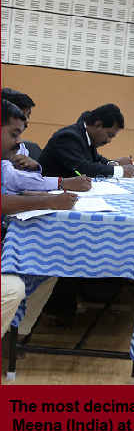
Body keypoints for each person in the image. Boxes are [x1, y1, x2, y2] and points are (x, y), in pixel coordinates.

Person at [1, 100, 77, 352]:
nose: (19, 142)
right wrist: (49, 200)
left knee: (48, 264)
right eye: (14, 134)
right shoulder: (68, 138)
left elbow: (10, 191)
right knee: (13, 288)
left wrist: (37, 196)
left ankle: (15, 335)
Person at [1, 88, 92, 194]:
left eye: (28, 115)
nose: (27, 120)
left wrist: (34, 167)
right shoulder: (68, 136)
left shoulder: (20, 145)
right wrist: (62, 183)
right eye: (20, 114)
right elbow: (11, 179)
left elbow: (25, 182)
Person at [38, 103, 134, 178]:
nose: (109, 140)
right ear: (97, 125)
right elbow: (82, 168)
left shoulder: (86, 135)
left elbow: (96, 158)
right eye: (109, 135)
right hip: (49, 192)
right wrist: (120, 171)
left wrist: (111, 163)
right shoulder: (67, 137)